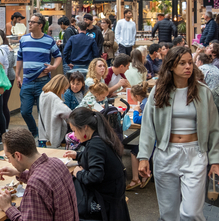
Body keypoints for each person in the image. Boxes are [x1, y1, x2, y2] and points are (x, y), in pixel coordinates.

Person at [138, 46, 219, 220]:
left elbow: (214, 128)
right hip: (166, 153)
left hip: (195, 154)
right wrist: (143, 157)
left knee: (191, 213)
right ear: (171, 66)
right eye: (182, 63)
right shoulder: (159, 91)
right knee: (168, 213)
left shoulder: (204, 92)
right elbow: (148, 126)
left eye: (190, 62)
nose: (188, 66)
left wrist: (215, 160)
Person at [0, 128, 79, 221]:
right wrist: (18, 173)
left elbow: (39, 183)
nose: (9, 161)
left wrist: (7, 207)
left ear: (17, 155)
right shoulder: (57, 163)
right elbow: (44, 179)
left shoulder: (34, 185)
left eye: (8, 157)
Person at [64, 107, 131, 220]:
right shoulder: (102, 136)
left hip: (104, 202)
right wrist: (78, 155)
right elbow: (102, 159)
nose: (74, 135)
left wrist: (78, 173)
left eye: (74, 130)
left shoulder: (95, 144)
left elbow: (95, 176)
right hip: (114, 198)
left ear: (85, 127)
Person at [15, 13, 62, 137]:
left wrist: (54, 67)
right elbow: (19, 58)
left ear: (40, 25)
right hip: (27, 82)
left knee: (43, 112)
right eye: (29, 21)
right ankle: (35, 132)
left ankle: (44, 135)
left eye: (32, 22)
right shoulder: (24, 39)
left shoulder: (48, 40)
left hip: (43, 81)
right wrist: (17, 75)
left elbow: (58, 56)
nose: (29, 23)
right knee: (25, 111)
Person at [126, 82, 151, 191]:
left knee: (134, 151)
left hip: (152, 141)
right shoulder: (147, 101)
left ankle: (136, 178)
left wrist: (136, 111)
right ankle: (144, 177)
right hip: (153, 138)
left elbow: (139, 120)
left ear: (136, 96)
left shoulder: (144, 104)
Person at [38, 75, 71, 148]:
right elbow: (68, 113)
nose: (63, 93)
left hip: (43, 134)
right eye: (64, 90)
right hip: (51, 135)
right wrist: (65, 106)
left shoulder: (43, 94)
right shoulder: (53, 97)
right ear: (60, 87)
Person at [0, 29, 15, 130]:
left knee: (3, 104)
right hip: (6, 78)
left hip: (7, 78)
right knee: (1, 105)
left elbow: (11, 64)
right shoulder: (5, 48)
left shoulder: (6, 49)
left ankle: (5, 129)